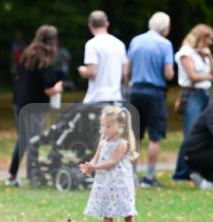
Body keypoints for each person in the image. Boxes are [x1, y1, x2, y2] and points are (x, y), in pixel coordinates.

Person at [6, 24, 63, 186]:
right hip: (35, 105)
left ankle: (12, 175)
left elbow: (17, 77)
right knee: (34, 139)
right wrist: (58, 87)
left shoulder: (26, 55)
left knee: (23, 139)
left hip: (19, 102)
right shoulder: (46, 61)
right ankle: (33, 176)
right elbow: (48, 90)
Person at [127, 11, 175, 187]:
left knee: (134, 136)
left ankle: (131, 175)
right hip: (155, 93)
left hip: (136, 91)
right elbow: (168, 73)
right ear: (165, 27)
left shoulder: (136, 41)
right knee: (155, 137)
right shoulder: (165, 44)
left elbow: (127, 68)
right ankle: (149, 177)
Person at [79, 106, 139, 222]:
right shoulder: (103, 143)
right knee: (107, 208)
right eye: (103, 126)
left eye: (108, 126)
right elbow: (96, 158)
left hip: (120, 181)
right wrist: (90, 167)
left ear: (120, 126)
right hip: (105, 181)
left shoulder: (123, 144)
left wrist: (96, 167)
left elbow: (112, 162)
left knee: (126, 208)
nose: (104, 129)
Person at [172, 24, 212, 181]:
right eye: (208, 38)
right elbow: (193, 76)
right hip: (192, 95)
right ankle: (182, 172)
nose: (210, 42)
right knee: (190, 133)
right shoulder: (185, 53)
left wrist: (208, 56)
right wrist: (209, 77)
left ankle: (196, 172)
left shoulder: (202, 54)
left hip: (205, 94)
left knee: (205, 133)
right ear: (199, 37)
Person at [78, 10, 127, 106]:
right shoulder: (119, 44)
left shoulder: (92, 44)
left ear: (90, 25)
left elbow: (92, 72)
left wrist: (82, 70)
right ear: (107, 24)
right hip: (116, 99)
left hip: (97, 99)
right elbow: (124, 73)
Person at [184, 102, 213, 189]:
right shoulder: (211, 113)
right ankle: (207, 183)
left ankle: (203, 177)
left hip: (201, 151)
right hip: (194, 154)